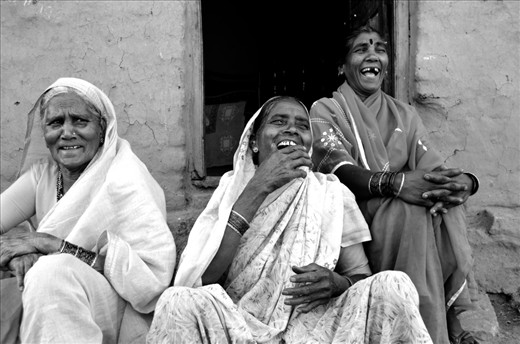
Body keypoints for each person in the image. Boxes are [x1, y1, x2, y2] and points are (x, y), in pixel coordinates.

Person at [146, 96, 433, 343]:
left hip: (315, 327)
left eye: (302, 125)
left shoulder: (330, 192)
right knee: (177, 302)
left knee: (393, 285)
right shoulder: (231, 188)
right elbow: (201, 279)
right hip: (239, 324)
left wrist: (337, 283)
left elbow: (361, 276)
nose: (292, 130)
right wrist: (259, 186)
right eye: (279, 122)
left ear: (309, 143)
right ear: (255, 142)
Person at [309, 25, 480, 344]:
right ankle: (430, 330)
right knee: (409, 209)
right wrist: (396, 183)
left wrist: (465, 184)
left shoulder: (405, 114)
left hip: (406, 209)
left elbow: (433, 168)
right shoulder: (327, 109)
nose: (373, 54)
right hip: (356, 217)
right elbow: (339, 169)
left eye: (380, 48)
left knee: (433, 206)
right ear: (342, 66)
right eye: (361, 49)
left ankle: (432, 325)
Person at [0, 77, 176, 343]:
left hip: (117, 304)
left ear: (102, 129)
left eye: (80, 121)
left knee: (51, 272)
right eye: (55, 122)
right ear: (45, 133)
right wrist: (12, 256)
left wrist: (49, 244)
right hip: (51, 296)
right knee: (43, 275)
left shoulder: (125, 179)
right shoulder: (42, 177)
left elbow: (148, 282)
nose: (67, 132)